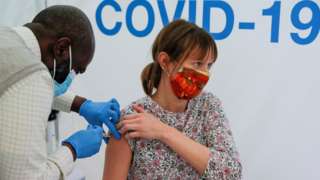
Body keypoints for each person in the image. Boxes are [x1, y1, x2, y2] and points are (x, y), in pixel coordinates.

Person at [103, 19, 242, 179]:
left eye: (208, 65)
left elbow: (231, 173)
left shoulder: (208, 106)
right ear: (165, 62)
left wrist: (163, 131)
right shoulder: (132, 119)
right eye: (197, 64)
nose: (205, 74)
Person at [0, 5, 121, 179]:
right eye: (77, 69)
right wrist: (72, 149)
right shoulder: (32, 76)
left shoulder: (6, 38)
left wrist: (81, 105)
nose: (73, 76)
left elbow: (14, 86)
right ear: (62, 48)